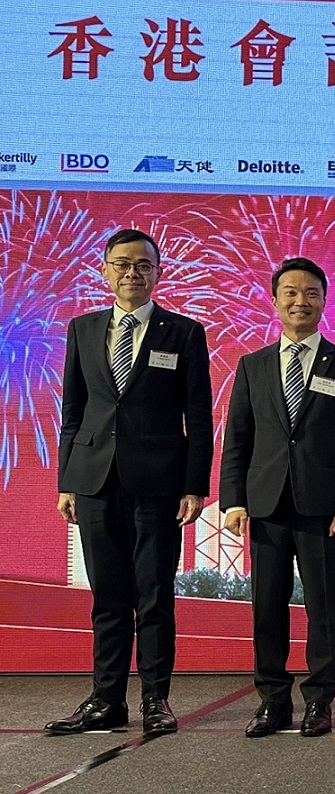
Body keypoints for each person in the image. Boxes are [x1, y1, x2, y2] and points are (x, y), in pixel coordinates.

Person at [49, 229, 212, 736]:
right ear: (105, 271)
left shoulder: (183, 332)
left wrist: (194, 486)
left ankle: (155, 700)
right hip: (94, 481)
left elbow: (198, 416)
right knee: (108, 598)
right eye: (122, 264)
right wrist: (67, 481)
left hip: (158, 484)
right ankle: (105, 699)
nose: (132, 273)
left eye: (143, 265)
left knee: (154, 595)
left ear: (158, 273)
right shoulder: (82, 328)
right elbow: (73, 410)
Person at [220, 258, 335, 738]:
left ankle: (319, 700)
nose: (300, 301)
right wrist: (233, 500)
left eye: (311, 293)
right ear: (274, 301)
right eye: (290, 292)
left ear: (324, 301)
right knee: (267, 607)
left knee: (323, 609)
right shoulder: (252, 365)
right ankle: (272, 700)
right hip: (266, 506)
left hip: (324, 509)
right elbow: (237, 439)